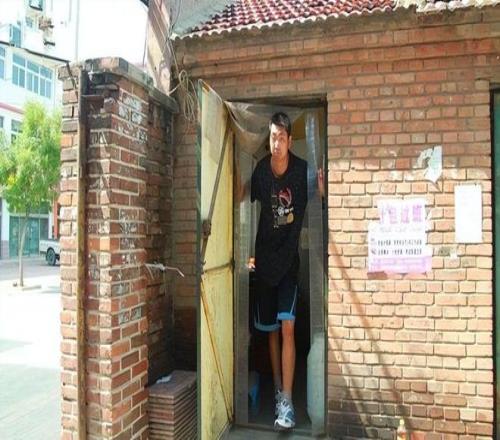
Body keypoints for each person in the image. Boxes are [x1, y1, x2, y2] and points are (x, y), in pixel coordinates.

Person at [237, 112, 322, 430]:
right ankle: (277, 391)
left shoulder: (301, 171)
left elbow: (319, 196)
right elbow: (243, 194)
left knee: (288, 327)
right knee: (271, 330)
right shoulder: (262, 171)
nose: (276, 143)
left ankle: (287, 400)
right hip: (264, 263)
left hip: (288, 264)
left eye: (281, 138)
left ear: (289, 140)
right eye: (272, 137)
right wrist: (233, 167)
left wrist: (324, 190)